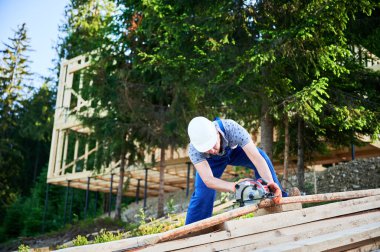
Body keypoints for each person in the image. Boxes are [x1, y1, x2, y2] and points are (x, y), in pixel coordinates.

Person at [185, 116, 287, 225]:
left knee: (263, 158)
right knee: (203, 193)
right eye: (206, 149)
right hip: (211, 162)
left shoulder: (232, 128)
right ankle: (194, 230)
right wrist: (235, 186)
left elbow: (257, 159)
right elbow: (208, 180)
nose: (211, 150)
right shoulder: (194, 150)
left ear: (217, 133)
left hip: (234, 151)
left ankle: (278, 201)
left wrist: (270, 182)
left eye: (212, 145)